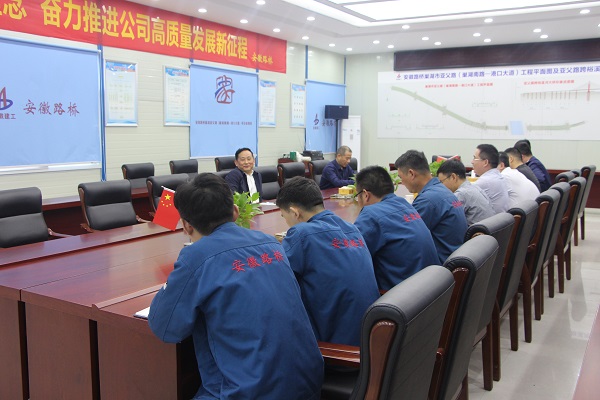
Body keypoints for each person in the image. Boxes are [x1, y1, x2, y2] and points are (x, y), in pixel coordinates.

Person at [148, 173, 323, 400]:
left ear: (186, 226)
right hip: (310, 385)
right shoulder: (272, 243)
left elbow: (165, 327)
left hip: (250, 392)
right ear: (235, 212)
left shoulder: (196, 256)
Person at [276, 177, 379, 346]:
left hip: (337, 347)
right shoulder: (351, 228)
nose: (286, 223)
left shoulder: (301, 233)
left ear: (295, 212)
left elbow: (277, 280)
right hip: (369, 337)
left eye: (284, 216)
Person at [354, 165, 439, 289]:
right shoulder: (405, 204)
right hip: (432, 289)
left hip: (404, 295)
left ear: (365, 194)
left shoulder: (371, 214)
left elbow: (351, 257)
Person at [395, 151, 468, 264]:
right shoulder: (442, 191)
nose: (402, 182)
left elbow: (406, 238)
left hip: (440, 266)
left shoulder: (427, 200)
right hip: (453, 257)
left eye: (401, 177)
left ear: (411, 174)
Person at [436, 159, 494, 225]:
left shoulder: (461, 194)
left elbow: (447, 218)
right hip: (488, 229)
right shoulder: (475, 187)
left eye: (441, 182)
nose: (441, 186)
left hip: (476, 230)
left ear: (453, 177)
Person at [472, 144, 511, 214]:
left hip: (489, 220)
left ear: (485, 162)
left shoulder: (484, 182)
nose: (472, 162)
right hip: (500, 219)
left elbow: (459, 203)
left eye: (474, 158)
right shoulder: (499, 176)